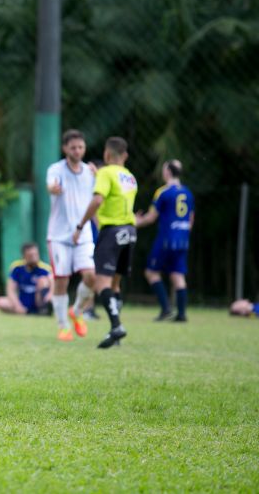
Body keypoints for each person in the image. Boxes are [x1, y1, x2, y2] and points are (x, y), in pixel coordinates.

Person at [73, 137, 138, 349]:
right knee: (115, 284)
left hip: (112, 231)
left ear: (106, 155)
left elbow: (98, 199)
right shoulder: (130, 177)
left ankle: (116, 326)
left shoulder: (105, 173)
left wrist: (80, 225)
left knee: (102, 284)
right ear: (125, 156)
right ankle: (115, 334)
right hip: (130, 232)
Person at [46, 129, 96, 341]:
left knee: (91, 276)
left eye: (80, 147)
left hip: (83, 234)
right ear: (65, 148)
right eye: (73, 147)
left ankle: (76, 311)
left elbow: (95, 202)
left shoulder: (90, 173)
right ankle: (63, 325)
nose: (77, 151)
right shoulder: (56, 169)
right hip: (59, 236)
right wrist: (53, 188)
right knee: (61, 280)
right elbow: (51, 185)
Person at [135, 160, 194, 323]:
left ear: (168, 172)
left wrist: (135, 222)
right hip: (183, 239)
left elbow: (151, 217)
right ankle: (181, 314)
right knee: (178, 275)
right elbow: (190, 219)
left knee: (151, 272)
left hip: (166, 238)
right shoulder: (188, 192)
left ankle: (166, 309)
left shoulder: (163, 192)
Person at [0, 242, 53, 315]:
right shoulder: (17, 267)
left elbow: (53, 285)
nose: (34, 258)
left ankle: (42, 310)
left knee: (43, 280)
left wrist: (50, 295)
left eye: (36, 255)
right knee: (0, 302)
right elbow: (10, 289)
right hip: (23, 302)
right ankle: (24, 311)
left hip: (39, 302)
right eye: (31, 256)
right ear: (24, 256)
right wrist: (18, 306)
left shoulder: (45, 269)